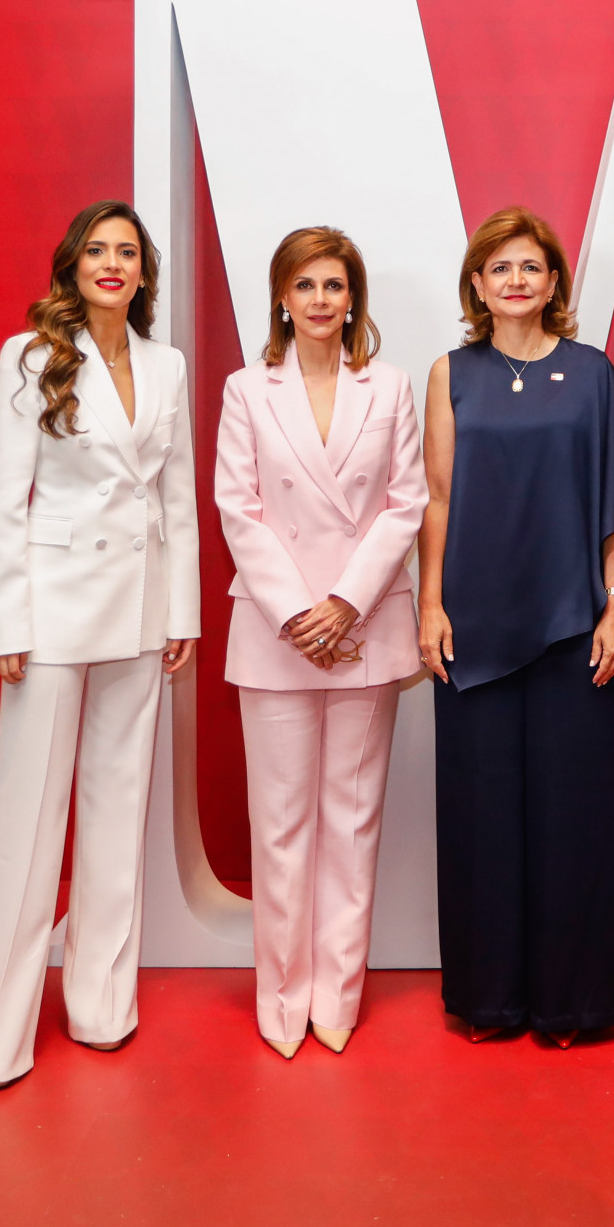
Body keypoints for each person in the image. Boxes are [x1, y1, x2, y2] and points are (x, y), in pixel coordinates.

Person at [0, 201, 200, 1088]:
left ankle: (102, 1006)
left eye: (127, 252)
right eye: (97, 250)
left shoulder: (166, 365)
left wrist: (181, 613)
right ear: (72, 265)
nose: (112, 264)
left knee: (117, 812)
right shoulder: (30, 357)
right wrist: (7, 622)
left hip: (140, 609)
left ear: (143, 272)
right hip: (53, 610)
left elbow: (175, 498)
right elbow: (4, 499)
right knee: (28, 822)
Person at [419, 206, 614, 1046]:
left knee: (575, 815)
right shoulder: (450, 373)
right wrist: (429, 604)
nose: (516, 279)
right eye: (500, 267)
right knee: (482, 816)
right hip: (474, 628)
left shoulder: (591, 374)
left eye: (530, 266)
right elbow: (438, 500)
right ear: (478, 285)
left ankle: (574, 1005)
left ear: (554, 280)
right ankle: (491, 1001)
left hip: (574, 625)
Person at [215, 227, 427, 1060]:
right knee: (279, 827)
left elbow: (406, 504)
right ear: (281, 296)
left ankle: (336, 994)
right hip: (279, 631)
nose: (319, 300)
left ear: (353, 299)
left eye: (334, 285)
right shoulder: (247, 389)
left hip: (364, 624)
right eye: (304, 285)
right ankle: (281, 1001)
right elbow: (239, 508)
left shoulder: (391, 385)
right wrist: (302, 613)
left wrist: (345, 603)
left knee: (352, 818)